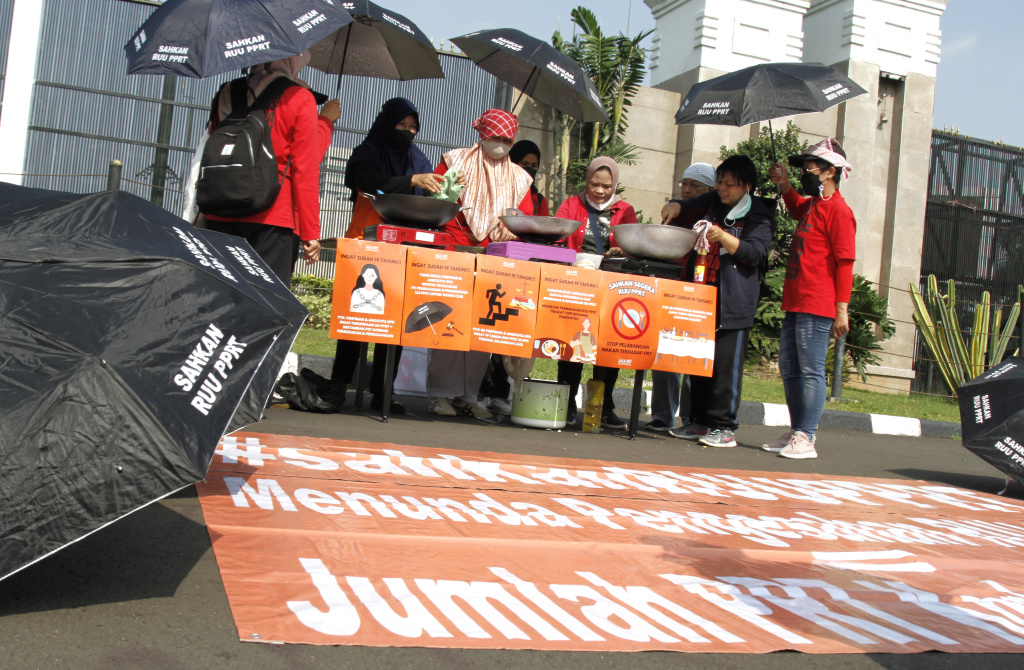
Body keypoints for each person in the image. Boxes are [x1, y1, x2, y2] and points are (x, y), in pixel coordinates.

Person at [331, 98, 440, 413]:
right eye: (400, 125)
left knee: (394, 325)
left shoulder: (418, 159)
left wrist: (441, 189)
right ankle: (339, 386)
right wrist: (410, 181)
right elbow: (371, 185)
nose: (407, 132)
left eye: (412, 127)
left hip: (402, 250)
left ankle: (382, 392)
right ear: (385, 123)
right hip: (364, 243)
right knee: (355, 320)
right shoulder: (366, 153)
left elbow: (426, 199)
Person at [427, 109, 534, 420]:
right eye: (494, 137)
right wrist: (449, 185)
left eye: (506, 139)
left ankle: (468, 396)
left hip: (494, 259)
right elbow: (436, 202)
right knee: (448, 324)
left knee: (480, 331)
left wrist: (513, 225)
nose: (500, 144)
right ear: (482, 134)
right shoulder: (454, 161)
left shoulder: (519, 177)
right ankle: (438, 394)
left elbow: (524, 218)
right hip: (455, 252)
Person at [660, 155, 773, 447]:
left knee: (724, 369)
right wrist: (676, 205)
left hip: (732, 302)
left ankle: (724, 426)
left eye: (730, 185)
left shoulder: (759, 212)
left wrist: (724, 236)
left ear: (747, 186)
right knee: (699, 363)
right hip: (701, 297)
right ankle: (698, 422)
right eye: (720, 182)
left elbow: (755, 253)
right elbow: (688, 206)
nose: (723, 189)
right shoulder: (714, 201)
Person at [204, 53, 338, 285]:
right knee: (267, 303)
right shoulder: (299, 97)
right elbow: (305, 167)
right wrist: (310, 232)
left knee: (220, 295)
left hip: (220, 207)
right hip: (273, 214)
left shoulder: (225, 91)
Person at [763, 138, 856, 460]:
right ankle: (797, 429)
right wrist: (786, 183)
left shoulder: (840, 211)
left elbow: (845, 262)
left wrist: (841, 308)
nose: (807, 171)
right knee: (790, 367)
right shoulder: (815, 204)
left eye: (811, 167)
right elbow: (796, 207)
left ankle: (807, 435)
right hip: (796, 299)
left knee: (811, 369)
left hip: (818, 303)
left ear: (831, 172)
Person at [556, 157, 639, 427]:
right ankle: (566, 404)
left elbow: (634, 243)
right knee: (572, 345)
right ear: (587, 180)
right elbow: (557, 233)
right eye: (594, 184)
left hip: (612, 288)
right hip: (577, 285)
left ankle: (601, 407)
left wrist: (622, 249)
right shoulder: (571, 205)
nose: (600, 190)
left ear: (615, 184)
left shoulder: (625, 210)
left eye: (606, 185)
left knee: (606, 348)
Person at [478, 139, 551, 416]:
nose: (529, 171)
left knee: (511, 334)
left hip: (524, 273)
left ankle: (499, 392)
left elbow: (542, 234)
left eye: (534, 166)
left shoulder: (538, 200)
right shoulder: (501, 189)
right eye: (524, 165)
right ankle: (480, 390)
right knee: (489, 330)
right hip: (495, 268)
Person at [646, 162, 717, 433]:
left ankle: (691, 418)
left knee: (694, 355)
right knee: (666, 352)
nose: (687, 190)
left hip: (701, 294)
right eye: (684, 184)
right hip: (672, 288)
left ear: (709, 191)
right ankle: (663, 416)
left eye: (694, 186)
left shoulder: (713, 217)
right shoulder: (673, 213)